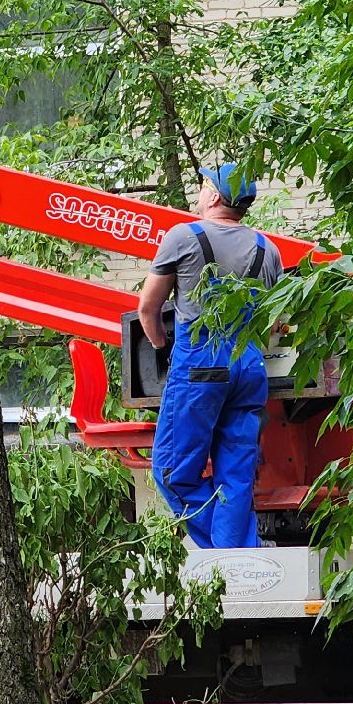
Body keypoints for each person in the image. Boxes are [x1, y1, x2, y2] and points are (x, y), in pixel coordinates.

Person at [138, 163, 284, 549]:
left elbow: (147, 310)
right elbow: (274, 324)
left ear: (215, 195)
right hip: (250, 367)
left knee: (173, 472)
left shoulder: (183, 237)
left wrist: (160, 349)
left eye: (204, 185)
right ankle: (239, 559)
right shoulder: (268, 250)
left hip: (201, 367)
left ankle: (223, 552)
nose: (200, 192)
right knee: (235, 477)